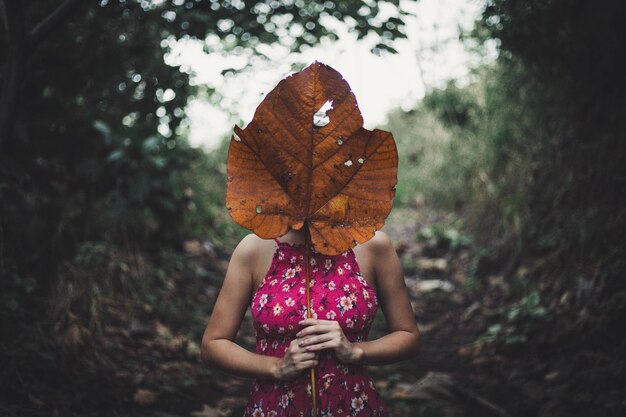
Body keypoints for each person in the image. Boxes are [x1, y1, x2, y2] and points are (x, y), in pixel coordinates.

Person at [200, 227, 420, 416]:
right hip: (274, 407)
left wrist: (356, 351)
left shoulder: (372, 245)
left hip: (353, 405)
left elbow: (408, 336)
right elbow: (213, 344)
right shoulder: (254, 248)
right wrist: (275, 367)